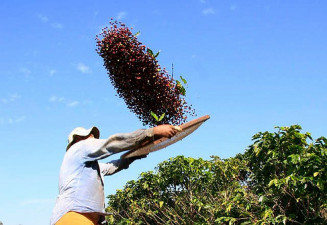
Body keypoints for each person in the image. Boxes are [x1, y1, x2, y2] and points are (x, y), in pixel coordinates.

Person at [50, 124, 179, 225]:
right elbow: (111, 145)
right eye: (90, 136)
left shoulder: (88, 167)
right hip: (74, 217)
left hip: (88, 219)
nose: (94, 139)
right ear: (78, 139)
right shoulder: (78, 148)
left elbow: (112, 166)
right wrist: (150, 132)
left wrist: (133, 156)